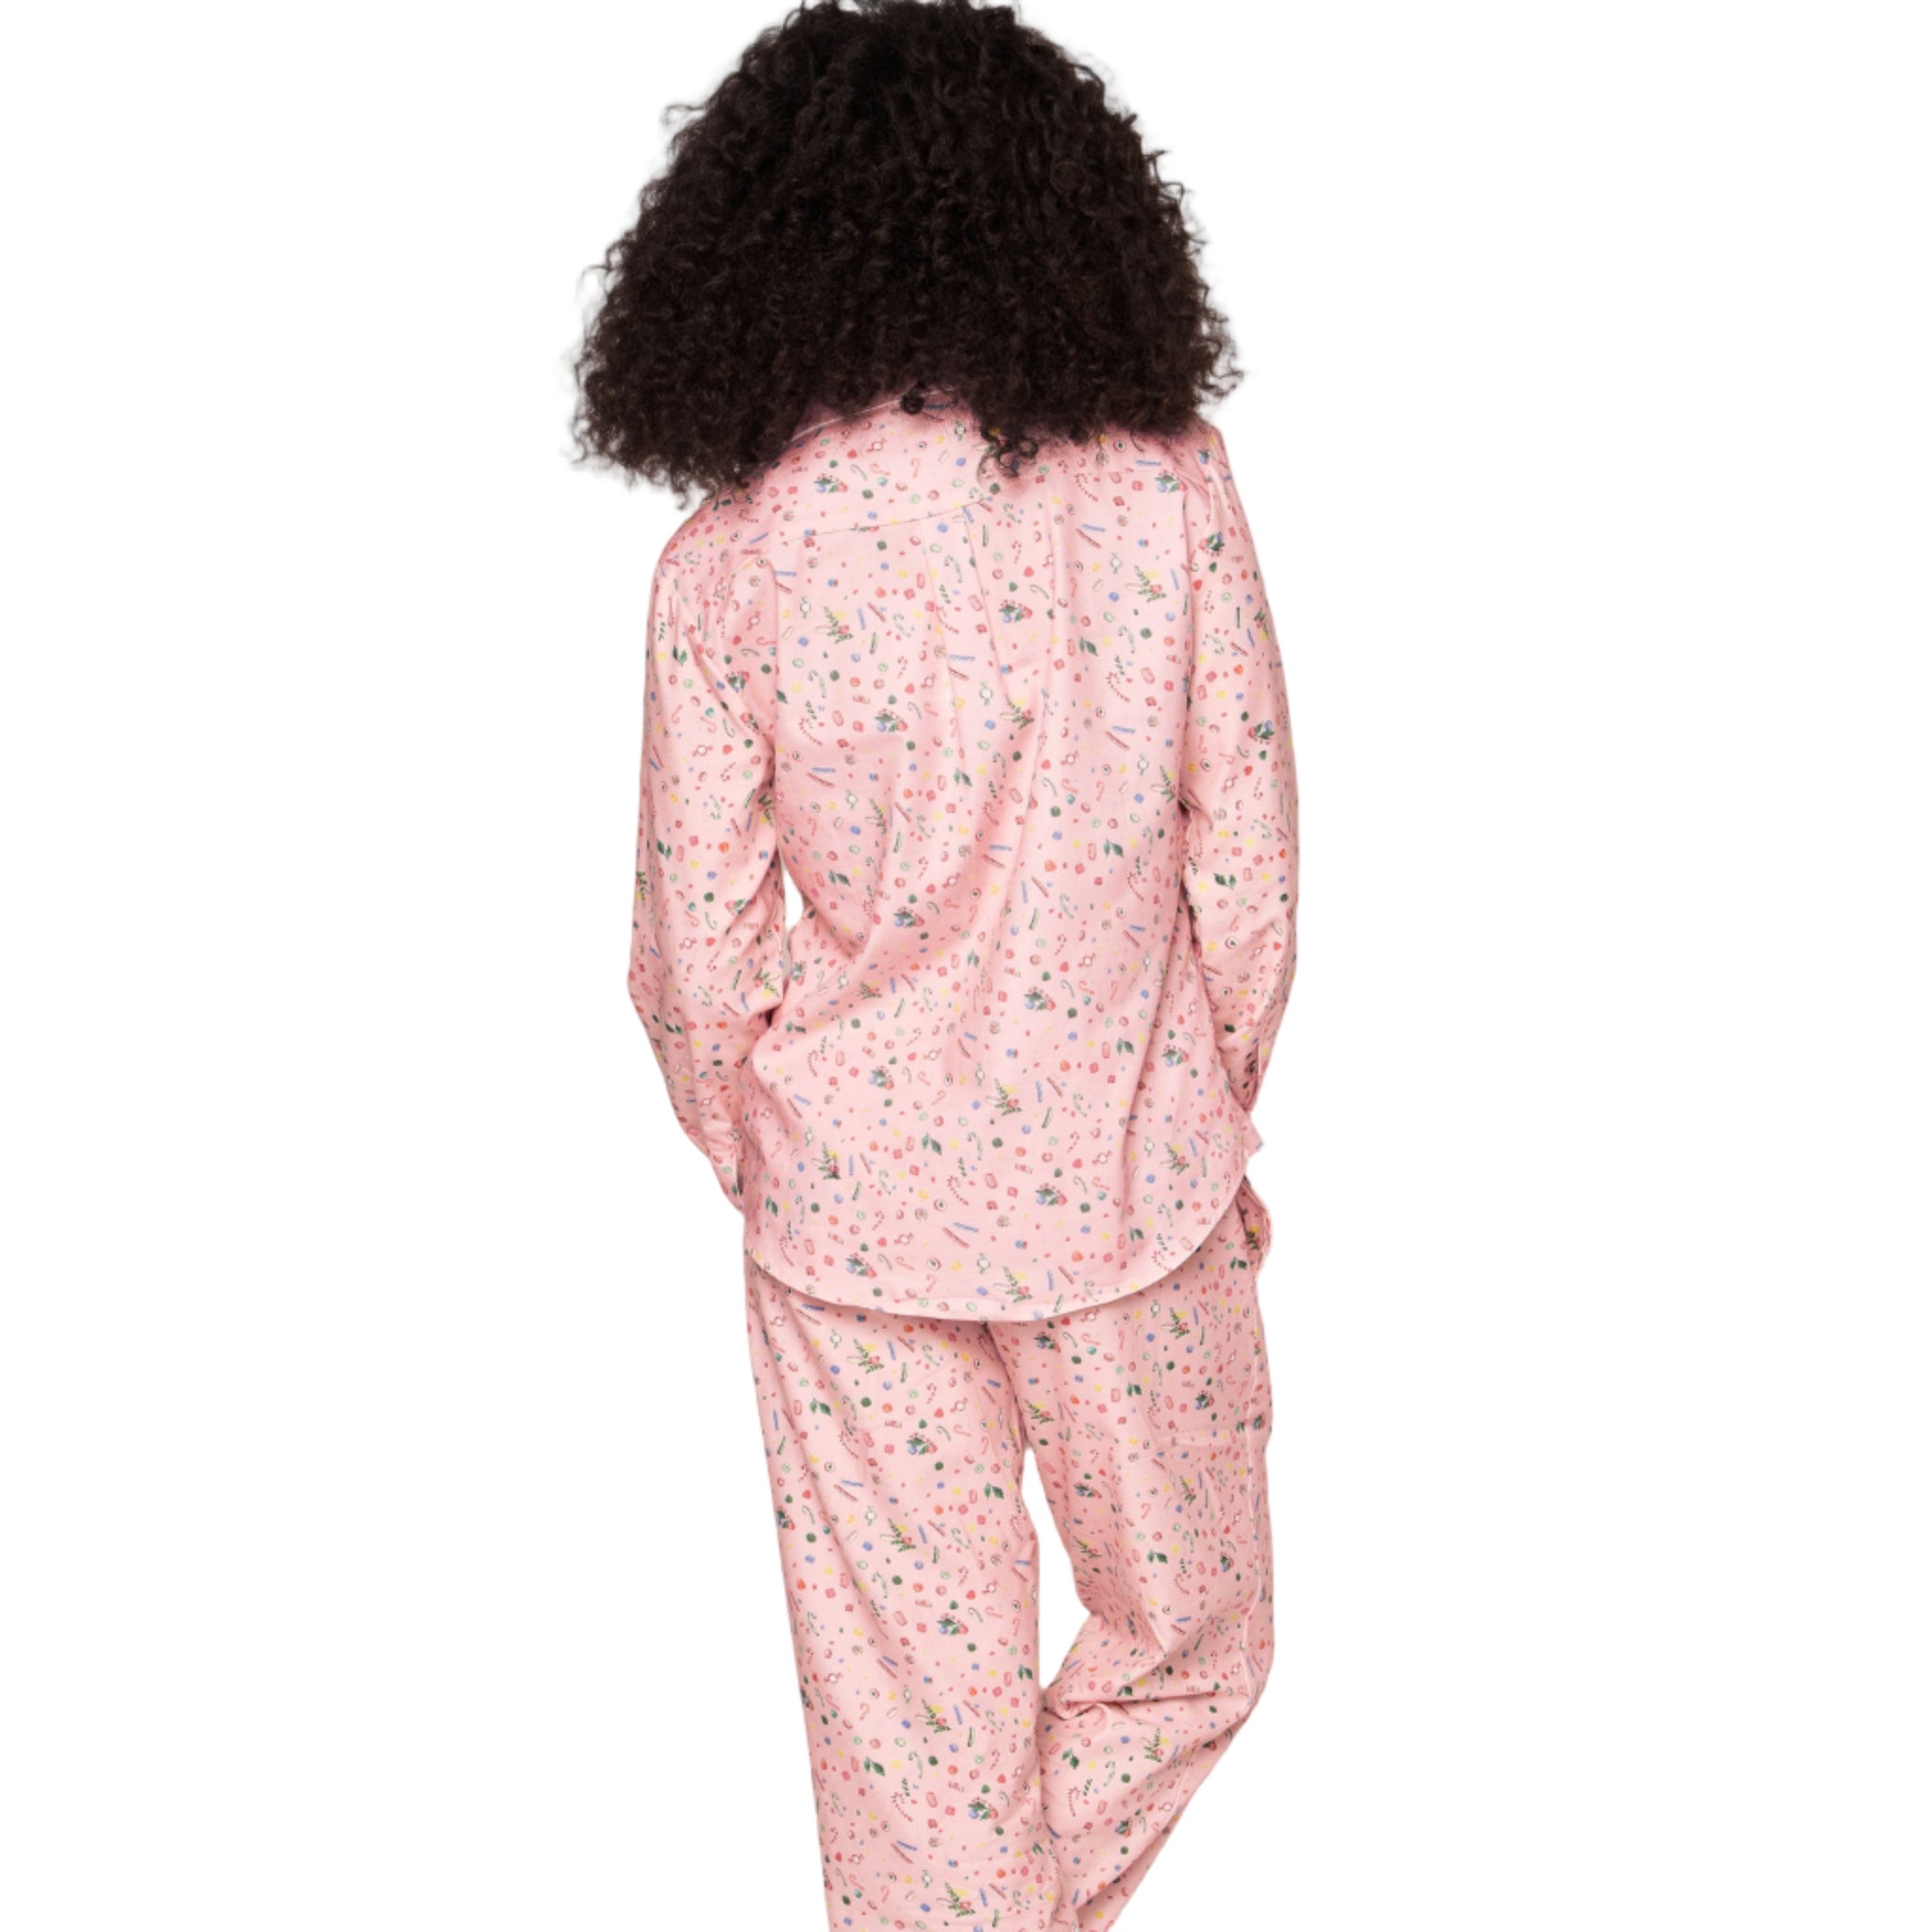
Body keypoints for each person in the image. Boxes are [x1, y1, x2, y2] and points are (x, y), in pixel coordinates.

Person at [570, 4, 1298, 1926]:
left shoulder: (730, 560)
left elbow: (687, 953)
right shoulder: (1168, 492)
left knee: (914, 1736)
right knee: (1196, 1639)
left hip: (847, 1212)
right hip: (1128, 1181)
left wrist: (771, 1140)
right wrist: (1205, 1106)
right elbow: (1248, 865)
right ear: (1073, 211)